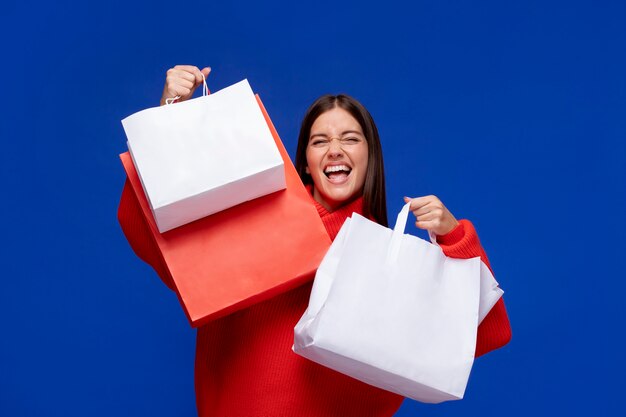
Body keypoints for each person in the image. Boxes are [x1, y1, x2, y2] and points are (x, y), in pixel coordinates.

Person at [118, 65, 512, 417]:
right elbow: (151, 236)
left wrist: (454, 238)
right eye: (320, 140)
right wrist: (172, 117)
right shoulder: (252, 221)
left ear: (370, 157)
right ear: (304, 161)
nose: (335, 150)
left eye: (351, 139)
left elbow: (486, 335)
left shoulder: (390, 263)